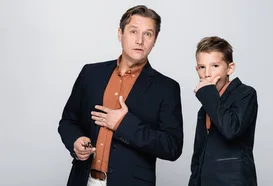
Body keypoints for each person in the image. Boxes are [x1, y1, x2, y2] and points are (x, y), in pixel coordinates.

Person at [57, 5, 183, 186]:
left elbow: (172, 147)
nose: (140, 40)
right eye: (133, 31)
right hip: (84, 179)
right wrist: (75, 141)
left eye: (148, 34)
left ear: (154, 40)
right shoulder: (91, 73)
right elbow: (68, 121)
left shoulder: (166, 88)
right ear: (120, 34)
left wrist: (123, 124)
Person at [188, 36, 259, 186]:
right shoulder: (205, 108)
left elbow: (231, 129)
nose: (207, 73)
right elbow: (198, 156)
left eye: (215, 66)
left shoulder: (245, 94)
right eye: (202, 67)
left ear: (230, 68)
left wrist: (208, 95)